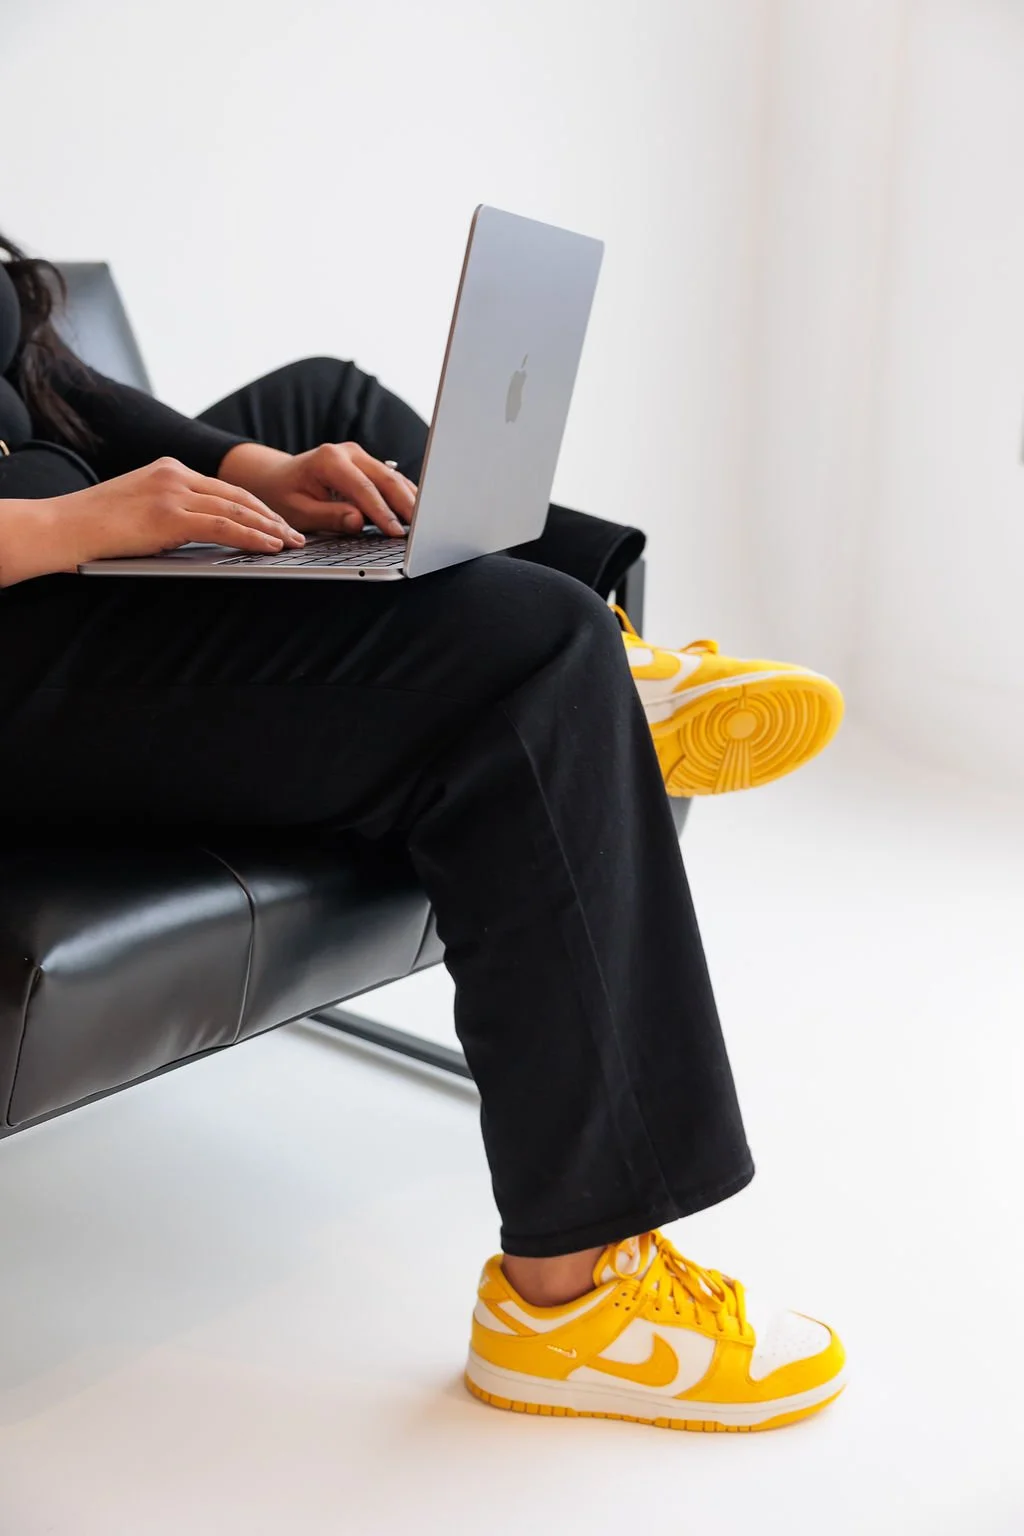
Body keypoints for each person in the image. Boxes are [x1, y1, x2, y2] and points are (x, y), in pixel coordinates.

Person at [0, 235, 846, 1433]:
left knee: (327, 410)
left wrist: (252, 467)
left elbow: (39, 376)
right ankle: (568, 1307)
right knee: (529, 657)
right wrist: (67, 524)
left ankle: (616, 676)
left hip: (53, 550)